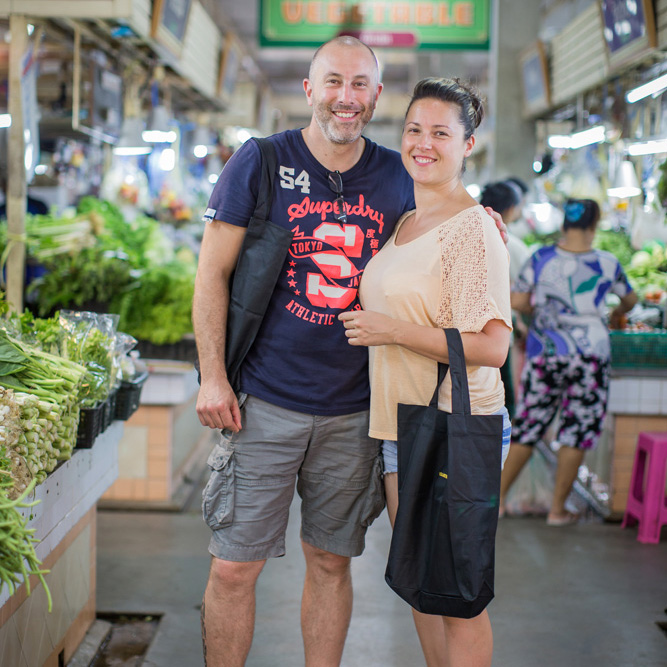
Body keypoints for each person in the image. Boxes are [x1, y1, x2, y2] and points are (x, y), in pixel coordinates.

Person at [194, 36, 507, 665]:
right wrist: (212, 377)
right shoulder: (259, 161)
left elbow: (453, 224)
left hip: (360, 412)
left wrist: (487, 218)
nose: (346, 97)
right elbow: (212, 274)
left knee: (332, 563)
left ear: (375, 95)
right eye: (333, 81)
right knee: (233, 569)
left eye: (360, 84)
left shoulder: (399, 171)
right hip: (264, 400)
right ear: (310, 90)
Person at [339, 77, 512, 667]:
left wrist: (390, 331)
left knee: (456, 596)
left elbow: (492, 348)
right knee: (422, 586)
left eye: (441, 132)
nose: (424, 143)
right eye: (414, 129)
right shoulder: (406, 221)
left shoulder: (473, 228)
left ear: (469, 145)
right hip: (402, 425)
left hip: (453, 425)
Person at [499, 198, 637, 525]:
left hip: (547, 351)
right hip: (591, 355)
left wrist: (544, 308)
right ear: (594, 225)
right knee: (577, 430)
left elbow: (517, 299)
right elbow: (630, 299)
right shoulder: (607, 262)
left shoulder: (541, 258)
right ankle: (558, 511)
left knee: (529, 426)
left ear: (564, 225)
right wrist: (615, 313)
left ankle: (498, 501)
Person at [480, 180, 531, 420]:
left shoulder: (465, 230)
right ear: (511, 209)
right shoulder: (515, 247)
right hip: (497, 334)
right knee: (503, 395)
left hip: (466, 335)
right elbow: (524, 295)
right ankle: (502, 451)